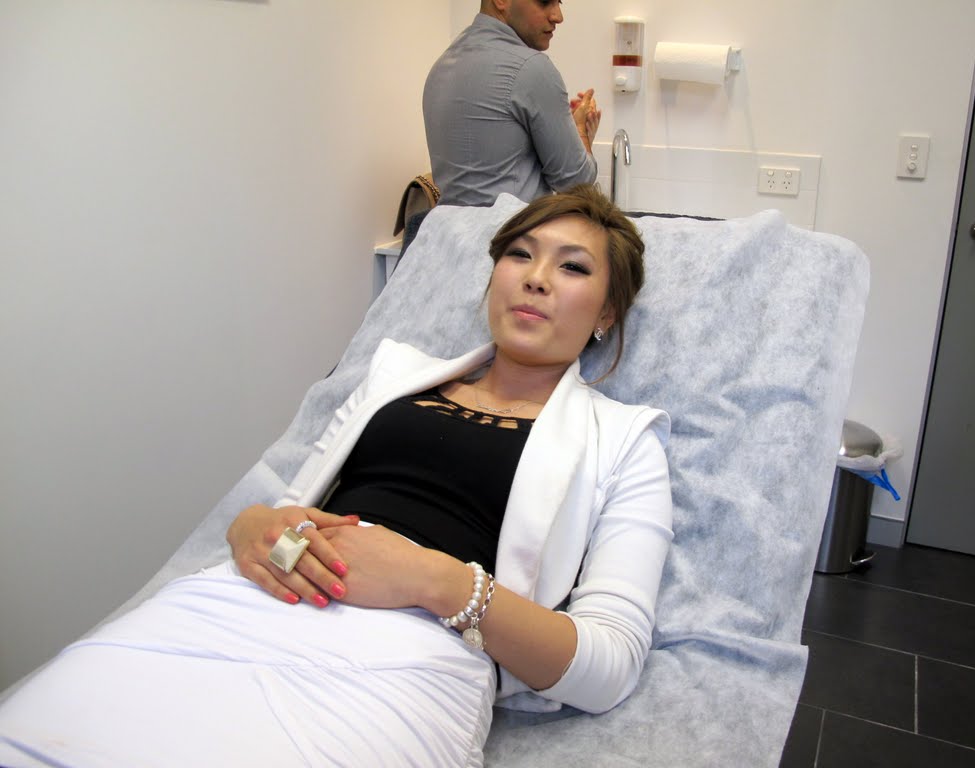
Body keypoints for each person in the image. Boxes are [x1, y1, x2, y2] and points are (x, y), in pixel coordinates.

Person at [0, 186, 672, 768]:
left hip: (406, 662)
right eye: (519, 254)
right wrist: (251, 525)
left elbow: (608, 666)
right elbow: (291, 508)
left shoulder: (624, 441)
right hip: (241, 610)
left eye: (573, 266)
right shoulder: (396, 376)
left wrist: (435, 580)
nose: (536, 278)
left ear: (606, 314)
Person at [423, 0, 602, 207]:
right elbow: (576, 184)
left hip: (448, 227)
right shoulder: (532, 68)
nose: (558, 17)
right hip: (511, 227)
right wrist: (581, 133)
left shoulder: (441, 66)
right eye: (545, 2)